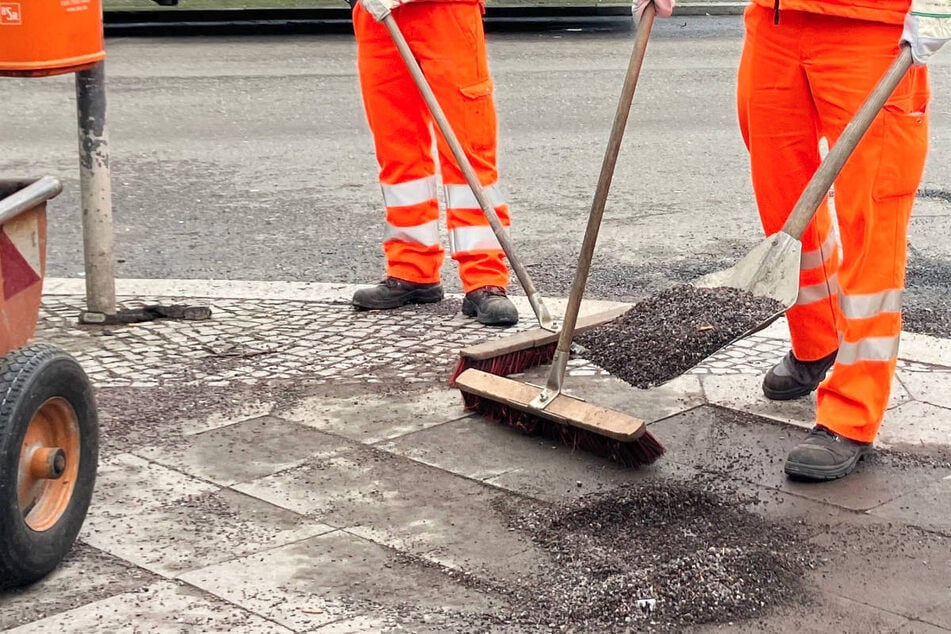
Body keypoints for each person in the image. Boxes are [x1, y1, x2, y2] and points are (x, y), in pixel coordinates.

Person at [736, 0, 948, 480]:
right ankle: (816, 339)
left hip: (872, 30)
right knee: (785, 204)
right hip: (774, 22)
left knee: (871, 219)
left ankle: (852, 411)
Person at [349, 0, 519, 326]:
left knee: (466, 150)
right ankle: (411, 268)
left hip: (445, 12)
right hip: (376, 17)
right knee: (398, 152)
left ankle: (485, 279)